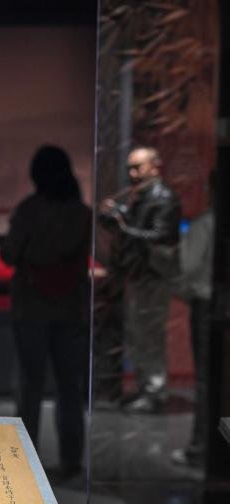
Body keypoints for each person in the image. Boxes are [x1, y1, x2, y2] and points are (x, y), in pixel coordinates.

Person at [0, 146, 91, 480]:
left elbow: (12, 253)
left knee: (30, 385)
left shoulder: (29, 210)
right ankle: (71, 458)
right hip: (72, 306)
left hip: (31, 304)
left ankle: (26, 458)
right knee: (70, 387)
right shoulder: (81, 213)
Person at [99, 146, 182, 414]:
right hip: (138, 273)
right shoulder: (141, 195)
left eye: (138, 167)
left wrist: (122, 226)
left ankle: (154, 392)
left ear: (154, 167)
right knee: (138, 334)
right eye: (130, 168)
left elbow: (161, 236)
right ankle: (147, 387)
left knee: (150, 334)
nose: (133, 173)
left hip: (153, 275)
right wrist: (117, 218)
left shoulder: (164, 197)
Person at [171, 175, 215, 465]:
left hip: (207, 306)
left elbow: (186, 267)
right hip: (209, 302)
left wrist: (185, 290)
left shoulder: (205, 224)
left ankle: (201, 447)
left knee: (206, 380)